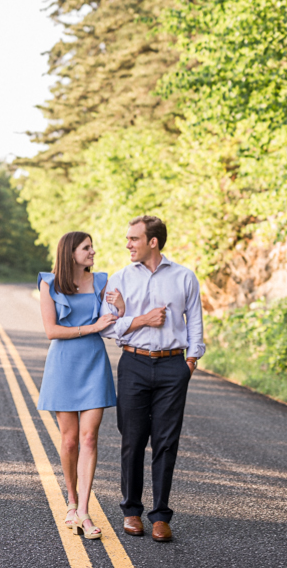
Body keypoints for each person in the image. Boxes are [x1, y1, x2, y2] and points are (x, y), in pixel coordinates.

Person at [101, 215, 204, 542]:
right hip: (133, 363)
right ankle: (132, 511)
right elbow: (107, 326)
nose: (128, 244)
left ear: (153, 242)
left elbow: (195, 322)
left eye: (134, 239)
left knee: (166, 442)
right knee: (132, 439)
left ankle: (160, 516)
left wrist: (190, 361)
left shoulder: (184, 277)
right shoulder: (120, 279)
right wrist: (140, 319)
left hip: (174, 367)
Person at [37, 231, 119, 540]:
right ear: (71, 252)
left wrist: (119, 306)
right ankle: (71, 502)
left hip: (94, 365)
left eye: (92, 247)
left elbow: (113, 319)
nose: (93, 252)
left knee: (89, 438)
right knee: (70, 441)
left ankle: (84, 510)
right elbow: (51, 330)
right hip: (63, 366)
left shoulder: (100, 281)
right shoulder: (49, 283)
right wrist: (91, 327)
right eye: (87, 248)